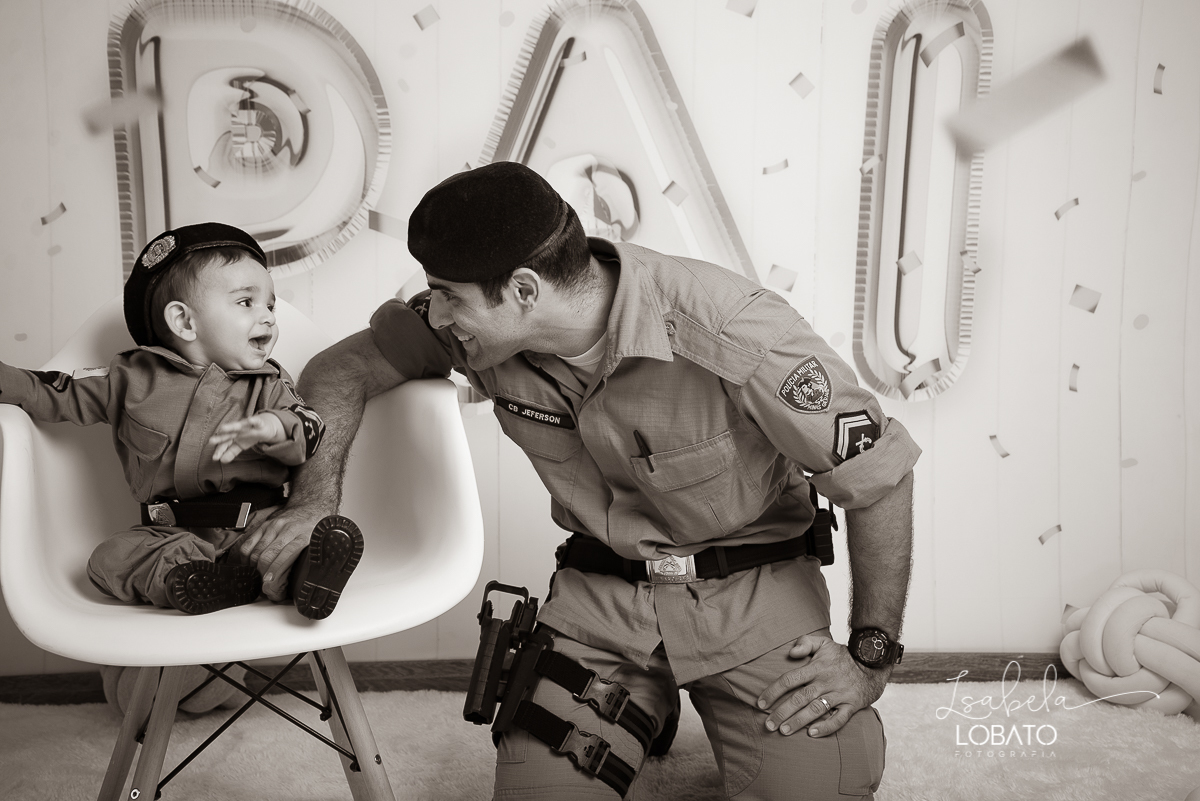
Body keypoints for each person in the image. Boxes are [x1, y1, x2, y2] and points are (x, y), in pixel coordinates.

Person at [250, 162, 920, 799]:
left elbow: (880, 476)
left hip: (753, 595)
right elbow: (339, 372)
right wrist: (314, 501)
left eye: (452, 298)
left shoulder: (735, 328)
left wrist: (870, 652)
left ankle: (679, 710)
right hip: (601, 605)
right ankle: (641, 710)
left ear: (523, 290)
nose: (439, 314)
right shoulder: (481, 331)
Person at [0, 222, 362, 619]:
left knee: (285, 546)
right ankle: (204, 580)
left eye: (270, 305)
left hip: (259, 524)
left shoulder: (270, 383)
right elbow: (55, 391)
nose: (269, 318)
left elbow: (309, 425)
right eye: (247, 303)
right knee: (107, 560)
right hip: (171, 536)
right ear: (184, 322)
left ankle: (313, 568)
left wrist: (275, 428)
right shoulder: (128, 378)